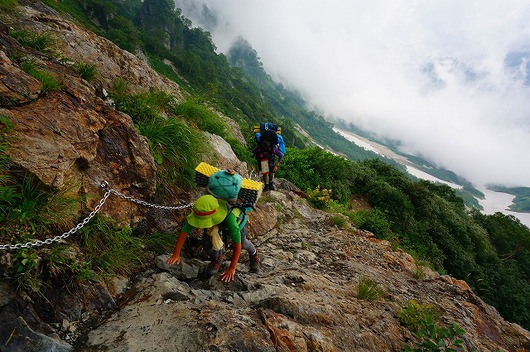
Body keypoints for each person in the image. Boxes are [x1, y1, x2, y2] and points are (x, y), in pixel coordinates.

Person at [166, 194, 259, 282]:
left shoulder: (231, 220)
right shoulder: (201, 210)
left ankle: (254, 254)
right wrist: (176, 253)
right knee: (206, 242)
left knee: (243, 243)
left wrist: (232, 268)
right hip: (215, 225)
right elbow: (185, 231)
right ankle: (217, 258)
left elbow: (237, 244)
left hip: (237, 223)